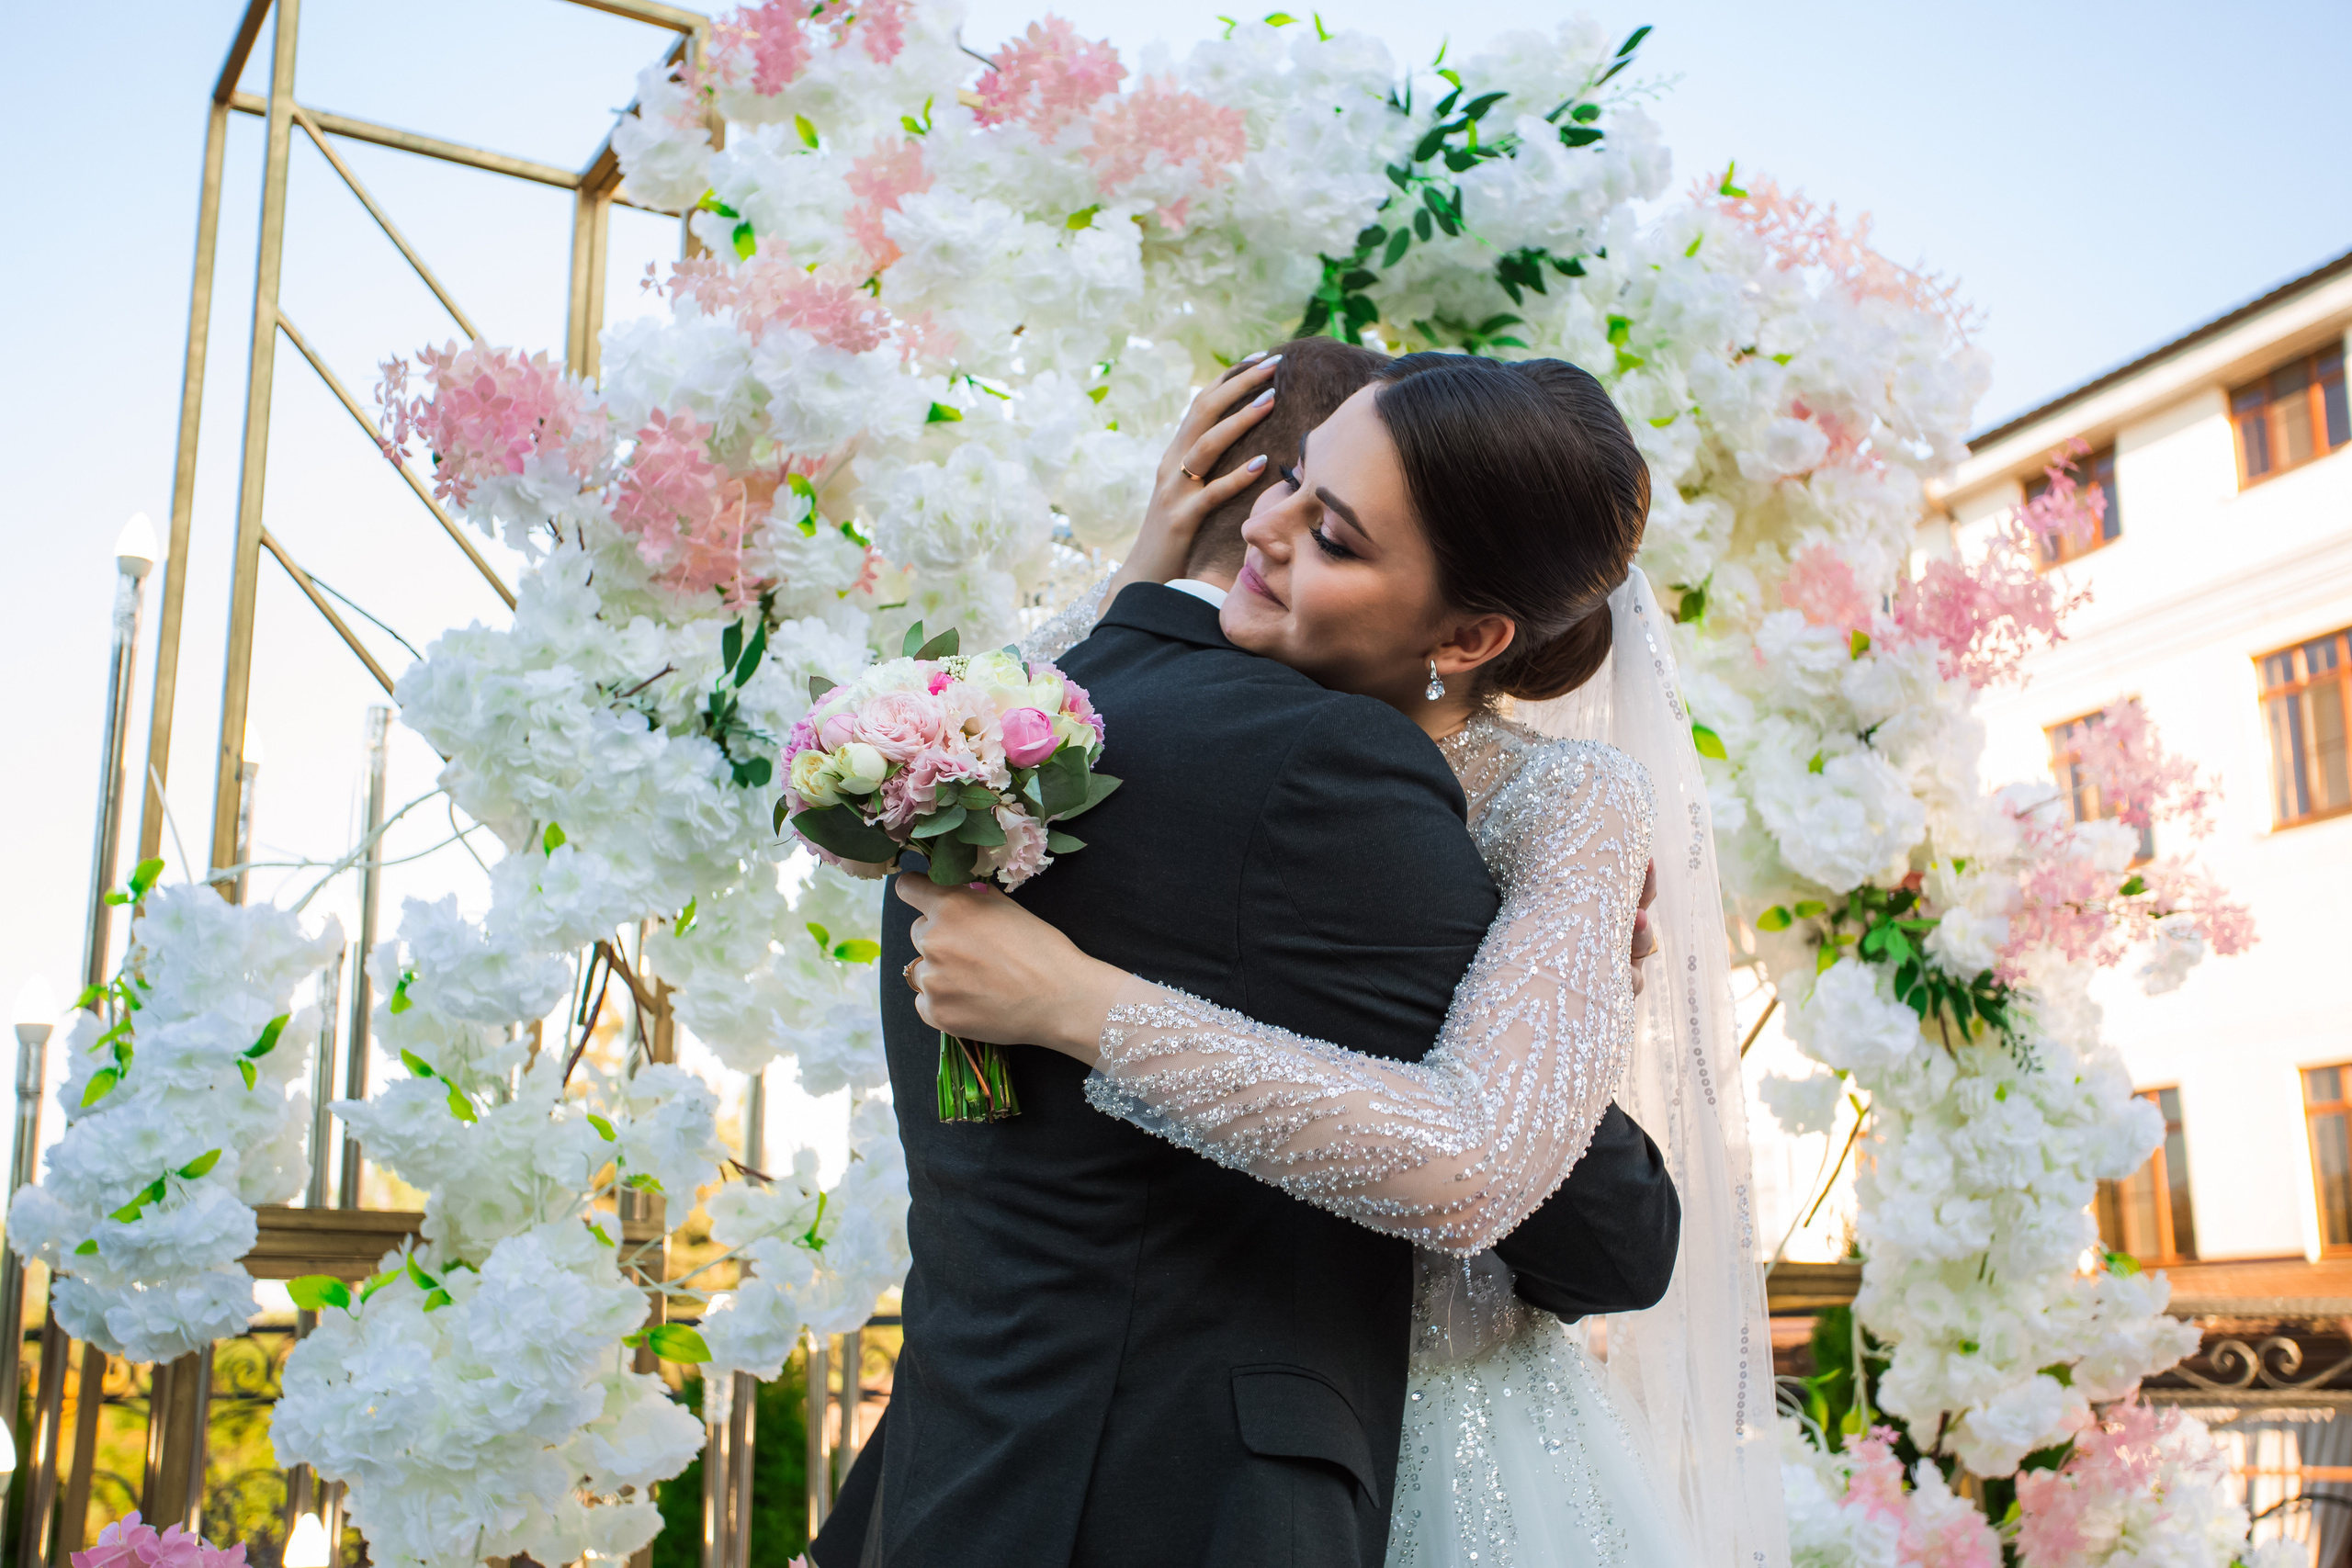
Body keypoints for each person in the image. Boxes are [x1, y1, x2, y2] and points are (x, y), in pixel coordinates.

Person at [891, 351, 1788, 1564]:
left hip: (1443, 1441)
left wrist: (1077, 1004)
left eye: (1338, 540)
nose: (1264, 534)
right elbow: (971, 751)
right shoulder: (1185, 726)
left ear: (1467, 635)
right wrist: (1147, 572)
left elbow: (1479, 1164)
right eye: (1292, 486)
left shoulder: (1566, 801)